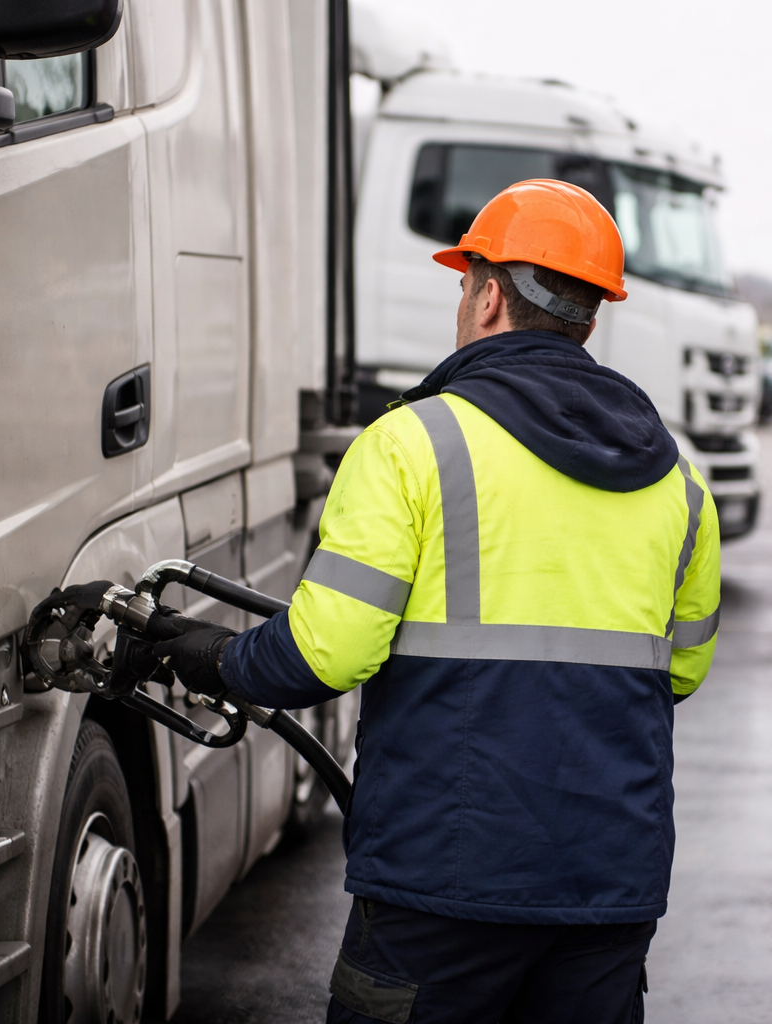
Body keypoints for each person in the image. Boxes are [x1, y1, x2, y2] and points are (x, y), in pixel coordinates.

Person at [154, 178, 720, 1023]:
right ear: (589, 318)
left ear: (489, 296)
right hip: (609, 883)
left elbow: (325, 654)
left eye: (465, 285)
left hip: (443, 878)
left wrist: (199, 652)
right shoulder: (678, 480)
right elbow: (681, 671)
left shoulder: (414, 443)